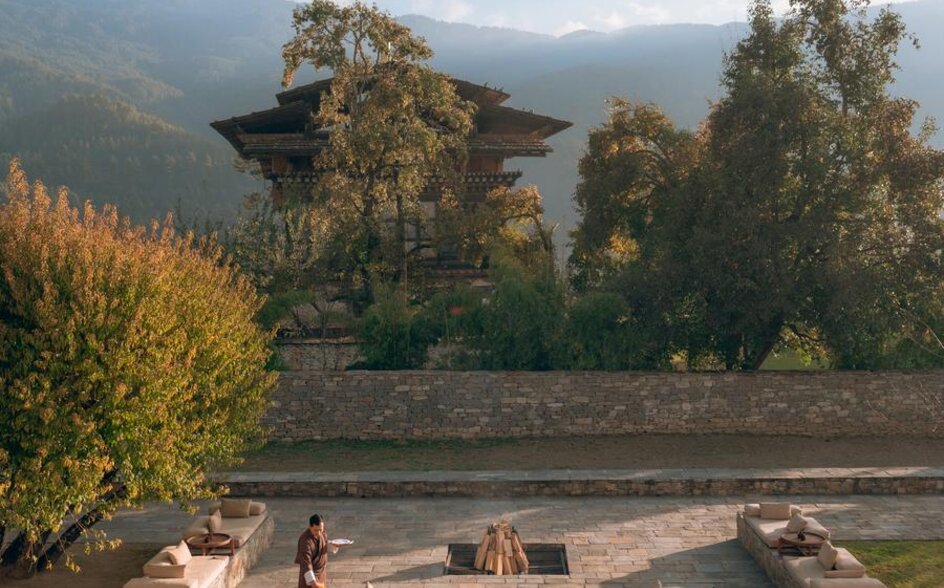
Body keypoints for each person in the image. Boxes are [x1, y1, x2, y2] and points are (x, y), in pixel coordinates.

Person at [296, 513, 330, 588]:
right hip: (311, 576)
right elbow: (306, 563)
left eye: (320, 530)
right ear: (310, 527)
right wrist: (313, 582)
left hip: (321, 573)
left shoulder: (322, 532)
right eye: (315, 530)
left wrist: (334, 545)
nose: (318, 533)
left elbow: (324, 543)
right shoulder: (305, 541)